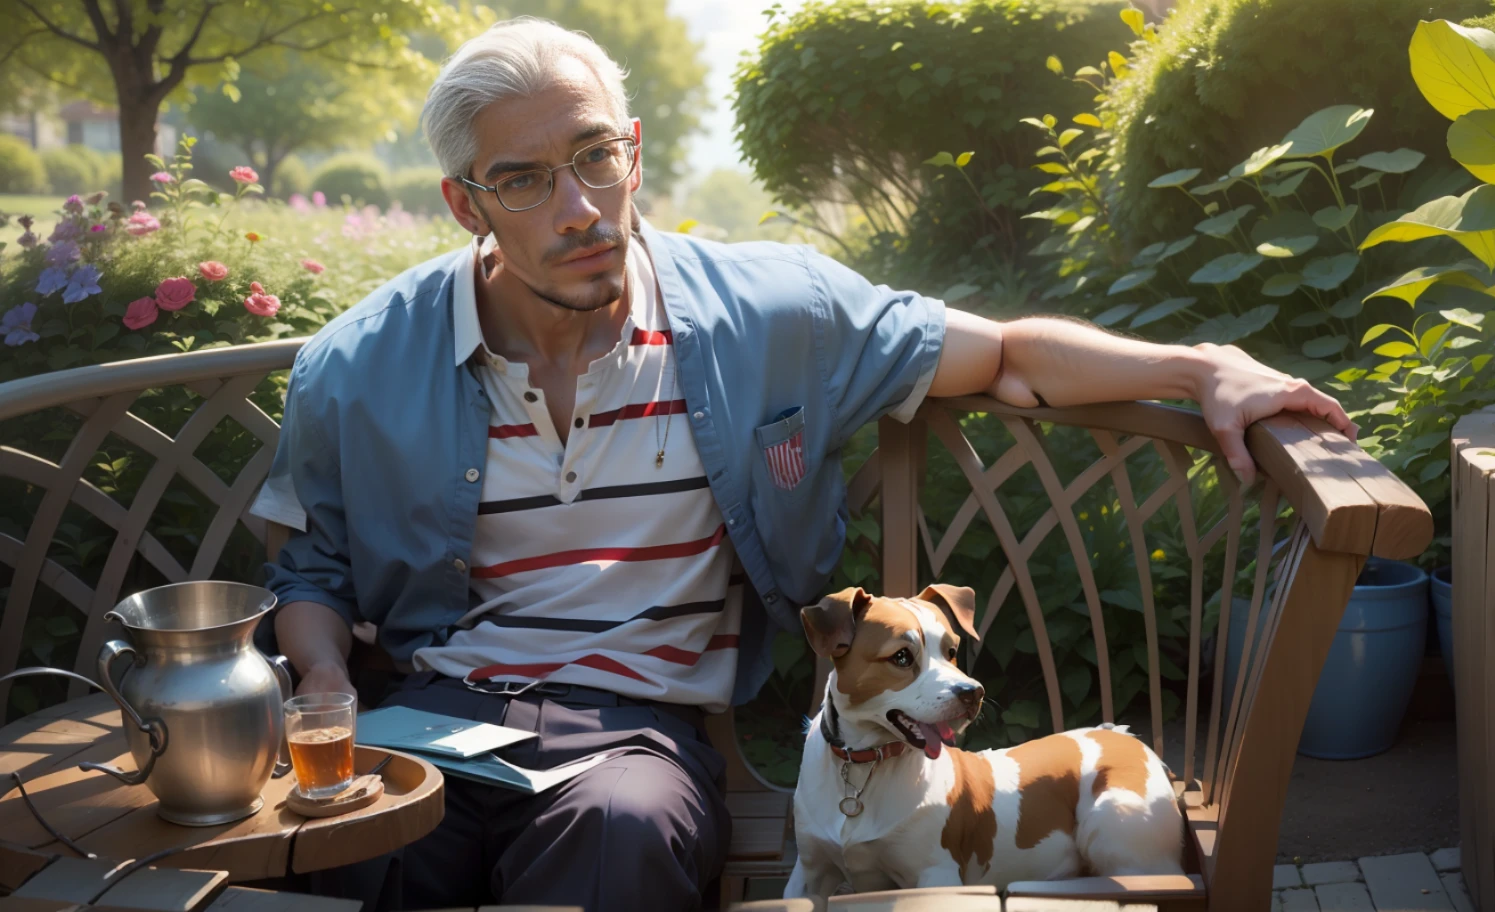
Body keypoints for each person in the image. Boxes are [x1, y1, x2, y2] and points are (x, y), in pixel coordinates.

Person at [251, 17, 1354, 912]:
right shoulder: (360, 364)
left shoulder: (763, 314)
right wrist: (328, 681)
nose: (581, 207)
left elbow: (1009, 355)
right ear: (466, 204)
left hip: (629, 737)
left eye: (594, 156)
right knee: (355, 858)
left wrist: (1202, 367)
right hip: (433, 720)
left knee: (616, 846)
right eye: (527, 179)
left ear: (631, 147)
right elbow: (314, 573)